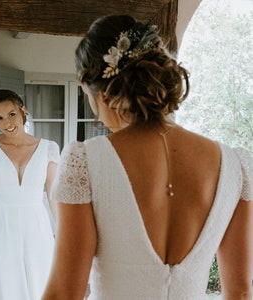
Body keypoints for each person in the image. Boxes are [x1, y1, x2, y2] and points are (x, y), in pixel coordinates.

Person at [42, 15, 253, 300]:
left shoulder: (85, 163)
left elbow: (64, 293)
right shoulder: (235, 165)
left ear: (101, 95)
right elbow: (239, 292)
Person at [0, 89, 59, 300]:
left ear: (23, 110)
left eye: (11, 114)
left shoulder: (48, 148)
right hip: (1, 226)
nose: (7, 123)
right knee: (6, 287)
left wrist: (65, 236)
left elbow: (54, 196)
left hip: (37, 225)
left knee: (41, 284)